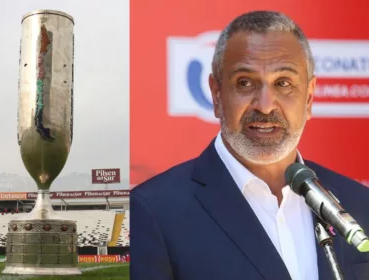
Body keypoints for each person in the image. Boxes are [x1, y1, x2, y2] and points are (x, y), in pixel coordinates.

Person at [130, 10, 369, 280]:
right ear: (217, 95)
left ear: (309, 98)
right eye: (244, 83)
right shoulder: (153, 212)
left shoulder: (360, 204)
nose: (265, 106)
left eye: (283, 83)